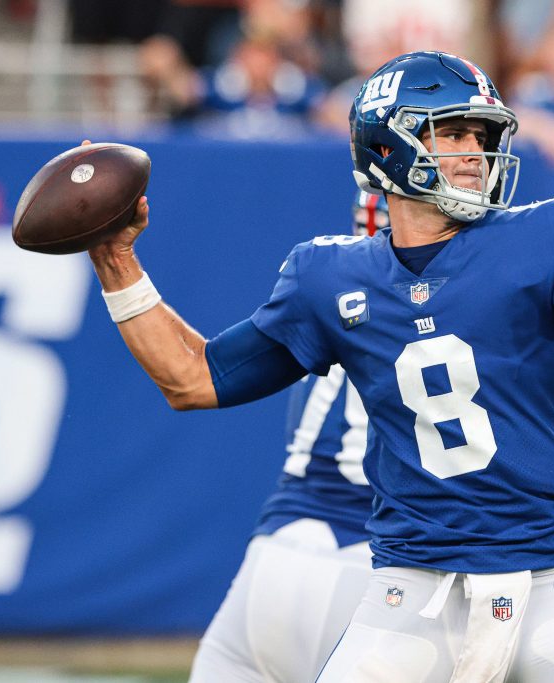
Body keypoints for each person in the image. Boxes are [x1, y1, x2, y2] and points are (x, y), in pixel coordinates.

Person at [86, 50, 554, 681]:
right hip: (411, 590)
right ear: (389, 144)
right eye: (455, 132)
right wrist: (116, 263)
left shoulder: (552, 233)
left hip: (553, 581)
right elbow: (194, 379)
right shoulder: (327, 275)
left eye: (483, 135)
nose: (475, 151)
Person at [187, 191, 386, 683]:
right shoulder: (460, 297)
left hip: (276, 551)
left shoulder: (322, 281)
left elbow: (197, 374)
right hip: (375, 562)